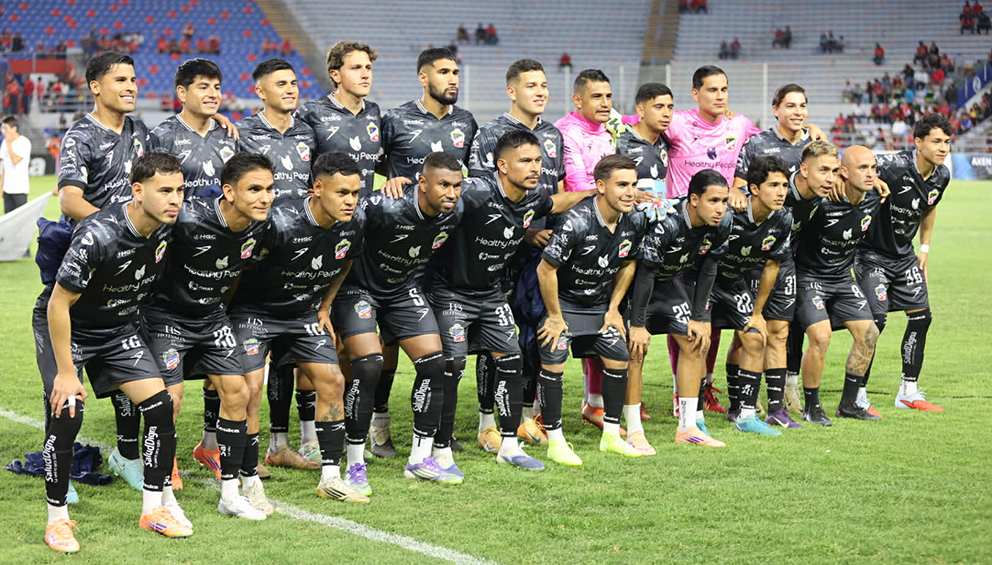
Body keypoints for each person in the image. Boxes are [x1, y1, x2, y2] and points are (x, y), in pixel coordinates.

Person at [40, 152, 190, 553]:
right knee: (68, 410)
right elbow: (57, 304)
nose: (175, 199)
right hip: (69, 324)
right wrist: (66, 372)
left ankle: (154, 510)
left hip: (117, 328)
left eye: (179, 190)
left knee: (159, 407)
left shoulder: (166, 228)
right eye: (165, 190)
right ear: (137, 191)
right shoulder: (99, 234)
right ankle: (57, 521)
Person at [429, 130, 595, 471]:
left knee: (512, 360)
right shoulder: (475, 191)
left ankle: (508, 445)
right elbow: (435, 198)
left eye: (538, 160)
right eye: (526, 161)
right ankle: (440, 450)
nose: (535, 168)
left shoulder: (532, 197)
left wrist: (595, 191)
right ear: (502, 166)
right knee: (453, 365)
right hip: (451, 291)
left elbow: (555, 203)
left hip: (490, 293)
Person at [228, 152, 369, 503]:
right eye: (342, 193)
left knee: (333, 381)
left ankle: (331, 478)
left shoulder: (354, 223)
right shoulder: (278, 223)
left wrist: (324, 306)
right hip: (254, 312)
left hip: (303, 314)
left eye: (355, 193)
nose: (350, 201)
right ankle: (250, 482)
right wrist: (224, 314)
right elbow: (238, 267)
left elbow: (345, 261)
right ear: (317, 188)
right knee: (250, 389)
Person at [141, 152, 275, 519]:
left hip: (212, 318)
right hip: (166, 317)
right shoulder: (186, 219)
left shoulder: (260, 227)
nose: (265, 197)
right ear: (229, 192)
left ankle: (230, 494)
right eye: (255, 189)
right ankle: (164, 495)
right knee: (170, 401)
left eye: (269, 189)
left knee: (239, 393)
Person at [332, 152, 466, 492]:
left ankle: (420, 460)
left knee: (435, 363)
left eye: (457, 186)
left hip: (403, 289)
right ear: (422, 183)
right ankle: (355, 463)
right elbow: (342, 224)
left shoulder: (454, 213)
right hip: (359, 290)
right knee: (368, 366)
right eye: (443, 185)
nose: (451, 193)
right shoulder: (386, 206)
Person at [370, 47, 478, 457]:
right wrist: (393, 182)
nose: (453, 79)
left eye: (456, 72)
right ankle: (379, 424)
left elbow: (467, 177)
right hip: (399, 247)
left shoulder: (465, 122)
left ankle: (440, 428)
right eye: (444, 72)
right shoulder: (396, 120)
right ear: (423, 77)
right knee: (389, 343)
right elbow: (375, 167)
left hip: (444, 247)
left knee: (442, 342)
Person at [466, 59, 565, 452]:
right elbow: (482, 198)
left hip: (541, 255)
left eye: (544, 85)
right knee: (493, 336)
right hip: (502, 252)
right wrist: (525, 232)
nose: (540, 92)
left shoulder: (553, 135)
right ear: (512, 91)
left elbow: (556, 193)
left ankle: (525, 416)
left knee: (532, 333)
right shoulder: (491, 134)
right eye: (531, 86)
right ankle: (486, 421)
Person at [536, 155, 649, 465]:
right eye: (622, 185)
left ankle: (611, 437)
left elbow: (629, 262)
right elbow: (546, 270)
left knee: (620, 356)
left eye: (633, 184)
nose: (630, 192)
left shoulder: (635, 220)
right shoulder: (576, 221)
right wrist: (555, 316)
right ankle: (556, 442)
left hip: (599, 306)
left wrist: (613, 308)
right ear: (600, 186)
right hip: (564, 306)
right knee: (554, 361)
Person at [236, 58, 320, 472]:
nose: (290, 89)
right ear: (260, 91)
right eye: (280, 83)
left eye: (293, 82)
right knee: (247, 356)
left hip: (300, 254)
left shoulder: (307, 131)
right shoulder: (243, 133)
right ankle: (225, 444)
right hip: (256, 254)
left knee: (288, 354)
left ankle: (281, 444)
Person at [627, 169, 733, 447]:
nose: (720, 208)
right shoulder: (667, 221)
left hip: (667, 283)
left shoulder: (723, 222)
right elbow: (645, 273)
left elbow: (709, 268)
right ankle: (634, 431)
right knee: (635, 350)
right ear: (694, 200)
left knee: (694, 342)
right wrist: (637, 324)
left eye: (724, 201)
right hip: (633, 284)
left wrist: (699, 317)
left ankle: (687, 428)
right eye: (713, 201)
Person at [855, 114, 952, 413]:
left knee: (922, 317)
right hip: (871, 254)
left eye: (947, 142)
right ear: (918, 142)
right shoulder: (893, 164)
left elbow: (930, 207)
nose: (943, 148)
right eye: (936, 141)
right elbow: (857, 162)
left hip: (904, 256)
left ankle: (908, 392)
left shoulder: (942, 176)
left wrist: (925, 248)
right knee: (875, 322)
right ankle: (857, 394)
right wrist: (874, 178)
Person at [794, 146, 882, 426]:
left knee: (869, 333)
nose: (870, 174)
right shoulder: (822, 201)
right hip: (809, 277)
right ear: (844, 172)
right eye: (863, 168)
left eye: (873, 168)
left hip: (842, 277)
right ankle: (812, 407)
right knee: (821, 337)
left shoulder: (875, 197)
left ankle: (848, 404)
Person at [708, 156, 794, 436]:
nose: (781, 192)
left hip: (734, 283)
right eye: (773, 185)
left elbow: (771, 266)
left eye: (784, 185)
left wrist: (757, 313)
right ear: (754, 189)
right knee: (697, 341)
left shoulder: (783, 218)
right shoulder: (729, 211)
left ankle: (745, 416)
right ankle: (693, 416)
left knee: (755, 337)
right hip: (703, 280)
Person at [612, 83, 673, 451]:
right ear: (640, 109)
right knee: (620, 327)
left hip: (655, 244)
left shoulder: (665, 143)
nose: (666, 113)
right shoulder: (621, 141)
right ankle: (601, 402)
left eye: (670, 107)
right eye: (658, 106)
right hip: (624, 244)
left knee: (639, 331)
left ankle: (625, 404)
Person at [296, 41, 382, 196]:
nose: (365, 74)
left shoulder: (373, 111)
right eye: (356, 68)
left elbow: (382, 161)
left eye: (368, 67)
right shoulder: (311, 113)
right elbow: (292, 161)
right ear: (335, 75)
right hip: (327, 208)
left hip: (365, 207)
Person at [149, 58, 237, 199]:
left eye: (217, 87)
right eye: (203, 87)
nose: (213, 94)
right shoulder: (162, 137)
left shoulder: (230, 134)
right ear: (182, 93)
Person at [1, 115, 31, 213]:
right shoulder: (4, 142)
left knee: (21, 218)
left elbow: (15, 160)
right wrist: (2, 185)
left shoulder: (24, 142)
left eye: (5, 128)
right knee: (9, 218)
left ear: (14, 128)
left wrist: (9, 144)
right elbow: (5, 166)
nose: (3, 131)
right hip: (7, 188)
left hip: (20, 188)